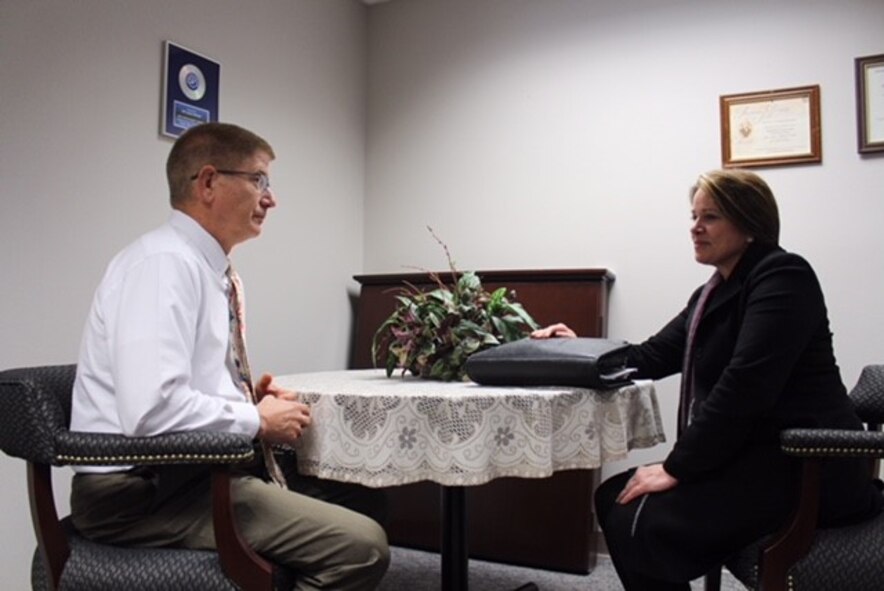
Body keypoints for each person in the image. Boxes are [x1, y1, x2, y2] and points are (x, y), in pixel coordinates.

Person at [69, 122, 390, 590]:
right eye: (259, 180)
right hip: (141, 494)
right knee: (362, 548)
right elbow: (151, 410)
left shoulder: (204, 268)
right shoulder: (163, 265)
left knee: (363, 493)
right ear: (208, 182)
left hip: (187, 473)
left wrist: (246, 399)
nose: (270, 198)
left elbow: (174, 387)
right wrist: (256, 420)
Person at [532, 169, 882, 590]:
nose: (695, 228)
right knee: (614, 497)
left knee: (642, 520)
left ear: (750, 225)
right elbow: (649, 356)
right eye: (694, 216)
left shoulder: (784, 276)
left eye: (710, 217)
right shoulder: (710, 296)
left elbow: (745, 387)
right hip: (752, 459)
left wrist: (677, 467)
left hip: (804, 466)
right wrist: (579, 349)